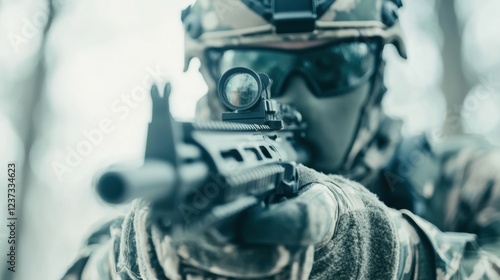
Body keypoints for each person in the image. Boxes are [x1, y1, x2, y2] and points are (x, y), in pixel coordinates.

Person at [63, 0, 500, 279]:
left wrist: (390, 254)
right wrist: (139, 260)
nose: (292, 97)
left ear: (378, 76)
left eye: (333, 65)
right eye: (257, 66)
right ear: (210, 74)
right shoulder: (173, 194)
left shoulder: (456, 182)